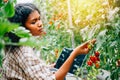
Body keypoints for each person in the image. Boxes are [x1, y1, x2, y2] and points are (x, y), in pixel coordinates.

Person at [2, 3, 96, 80]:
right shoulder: (24, 50)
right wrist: (75, 53)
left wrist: (46, 68)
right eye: (33, 22)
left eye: (39, 19)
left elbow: (26, 70)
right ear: (22, 27)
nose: (40, 24)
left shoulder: (16, 45)